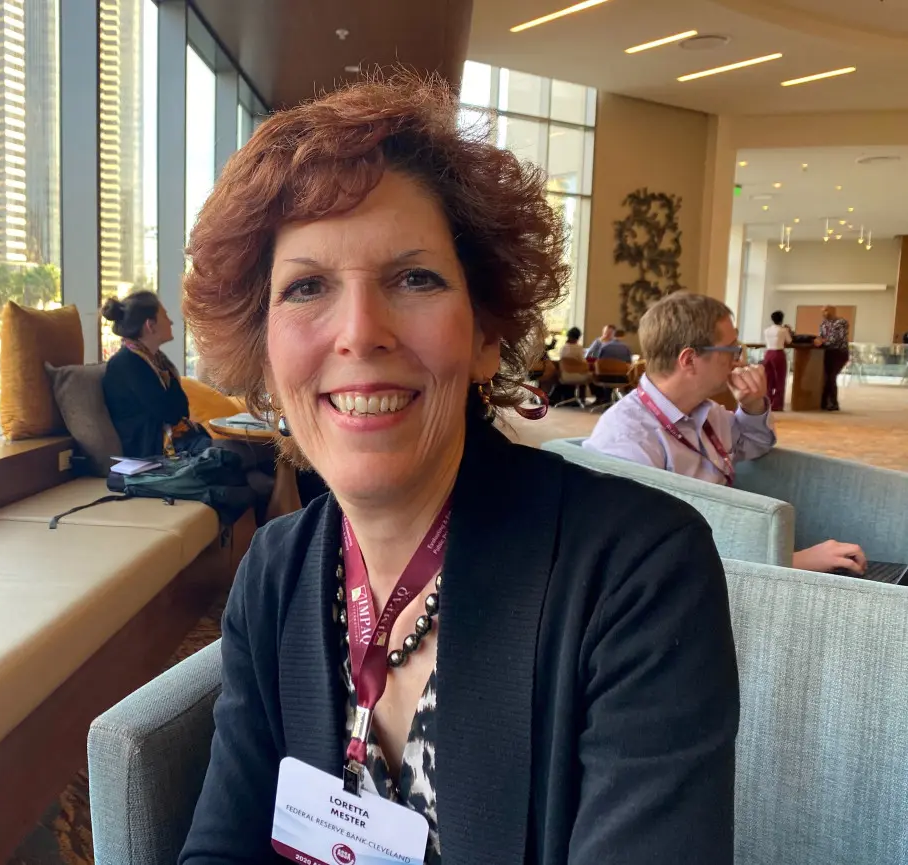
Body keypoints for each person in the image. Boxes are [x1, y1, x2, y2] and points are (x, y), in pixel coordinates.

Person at [179, 75, 738, 865]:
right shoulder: (272, 576)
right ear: (264, 358)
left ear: (485, 335)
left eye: (414, 278)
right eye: (307, 286)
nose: (360, 331)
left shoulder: (636, 575)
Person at [585, 292, 867, 575]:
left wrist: (753, 405)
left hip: (735, 550)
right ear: (690, 360)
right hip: (707, 576)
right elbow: (653, 557)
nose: (739, 360)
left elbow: (756, 445)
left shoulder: (707, 412)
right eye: (732, 349)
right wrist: (790, 564)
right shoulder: (628, 440)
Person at [101, 291, 209, 458]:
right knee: (225, 458)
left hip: (165, 440)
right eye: (165, 316)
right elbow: (171, 413)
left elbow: (181, 411)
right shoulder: (127, 363)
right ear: (150, 325)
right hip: (149, 449)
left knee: (229, 454)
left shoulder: (156, 361)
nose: (171, 322)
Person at [814, 305, 850, 411]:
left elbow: (838, 339)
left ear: (832, 311)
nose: (823, 313)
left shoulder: (841, 323)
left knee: (831, 377)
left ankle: (833, 403)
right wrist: (818, 340)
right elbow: (821, 336)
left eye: (825, 311)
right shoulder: (823, 323)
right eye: (822, 311)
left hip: (839, 352)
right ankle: (824, 402)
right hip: (827, 352)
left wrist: (823, 341)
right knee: (826, 377)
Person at [763, 310, 792, 411]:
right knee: (780, 379)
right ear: (782, 319)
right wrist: (788, 330)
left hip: (767, 354)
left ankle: (767, 403)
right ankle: (777, 405)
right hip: (778, 353)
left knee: (768, 379)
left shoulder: (766, 330)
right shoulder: (783, 330)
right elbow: (789, 341)